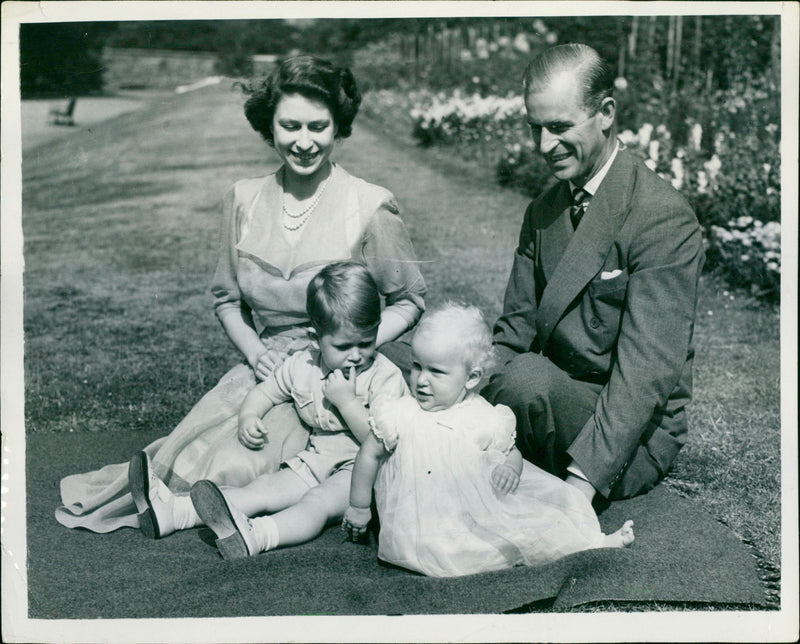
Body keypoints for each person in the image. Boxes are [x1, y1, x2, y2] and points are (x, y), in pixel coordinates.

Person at [55, 55, 426, 534]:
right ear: (269, 126)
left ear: (339, 127)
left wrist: (359, 347)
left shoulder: (370, 203)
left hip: (347, 377)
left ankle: (193, 510)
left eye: (319, 126)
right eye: (290, 125)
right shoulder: (244, 199)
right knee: (214, 442)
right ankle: (167, 504)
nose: (304, 141)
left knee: (244, 462)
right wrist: (256, 355)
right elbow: (227, 300)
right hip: (270, 368)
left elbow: (410, 300)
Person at [482, 44, 705, 508]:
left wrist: (579, 489)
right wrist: (460, 415)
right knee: (442, 370)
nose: (544, 146)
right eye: (535, 128)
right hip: (552, 397)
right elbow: (514, 330)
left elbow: (645, 374)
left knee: (524, 382)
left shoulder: (662, 216)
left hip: (629, 433)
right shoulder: (544, 210)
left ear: (605, 114)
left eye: (560, 127)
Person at [342, 303, 634, 578]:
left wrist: (510, 468)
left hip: (466, 513)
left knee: (528, 523)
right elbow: (369, 453)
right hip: (415, 520)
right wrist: (358, 505)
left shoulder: (482, 416)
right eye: (417, 366)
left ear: (471, 378)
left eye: (436, 372)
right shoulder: (402, 411)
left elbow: (509, 451)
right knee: (443, 549)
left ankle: (591, 542)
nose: (420, 380)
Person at [139, 262, 409, 555]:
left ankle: (259, 535)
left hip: (360, 474)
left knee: (316, 503)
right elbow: (267, 390)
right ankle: (175, 514)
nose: (356, 356)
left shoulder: (384, 376)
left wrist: (346, 402)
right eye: (344, 347)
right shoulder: (304, 364)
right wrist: (249, 414)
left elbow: (378, 442)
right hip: (316, 461)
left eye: (366, 343)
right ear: (316, 338)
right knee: (265, 488)